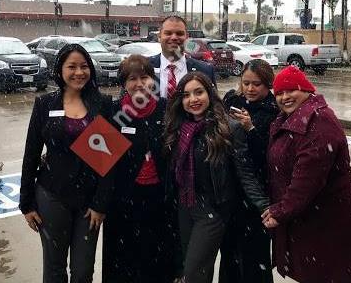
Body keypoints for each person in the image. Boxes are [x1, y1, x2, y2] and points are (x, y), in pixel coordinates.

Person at [262, 66, 351, 283]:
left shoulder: (320, 122)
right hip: (310, 217)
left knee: (329, 275)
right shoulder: (289, 119)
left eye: (291, 91)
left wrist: (281, 210)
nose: (284, 97)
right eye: (279, 93)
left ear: (306, 90)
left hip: (330, 218)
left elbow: (307, 178)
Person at [19, 44, 113, 283]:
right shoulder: (45, 104)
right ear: (60, 70)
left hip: (88, 203)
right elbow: (31, 154)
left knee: (83, 271)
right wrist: (26, 203)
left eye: (84, 67)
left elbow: (107, 159)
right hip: (52, 196)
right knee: (54, 269)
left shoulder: (102, 104)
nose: (78, 72)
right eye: (71, 66)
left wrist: (100, 203)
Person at [164, 72, 270, 283]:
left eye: (198, 92)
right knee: (197, 271)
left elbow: (244, 172)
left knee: (193, 273)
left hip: (212, 211)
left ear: (210, 94)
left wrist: (264, 205)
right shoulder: (178, 128)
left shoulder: (229, 128)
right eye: (186, 95)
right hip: (185, 206)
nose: (193, 100)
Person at [103, 55, 178, 283]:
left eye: (144, 77)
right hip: (123, 203)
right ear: (124, 83)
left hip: (159, 201)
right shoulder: (114, 112)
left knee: (156, 263)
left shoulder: (167, 109)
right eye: (132, 78)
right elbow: (96, 159)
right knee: (123, 265)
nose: (139, 83)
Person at [222, 60, 279, 283]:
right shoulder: (232, 101)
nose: (250, 89)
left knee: (255, 255)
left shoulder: (274, 110)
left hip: (258, 191)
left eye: (257, 84)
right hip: (230, 189)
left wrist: (251, 128)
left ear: (267, 85)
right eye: (246, 83)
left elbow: (270, 154)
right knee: (229, 253)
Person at [149, 15, 215, 99]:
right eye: (168, 33)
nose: (174, 37)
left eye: (179, 33)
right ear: (159, 36)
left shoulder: (205, 70)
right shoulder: (143, 68)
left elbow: (214, 106)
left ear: (186, 37)